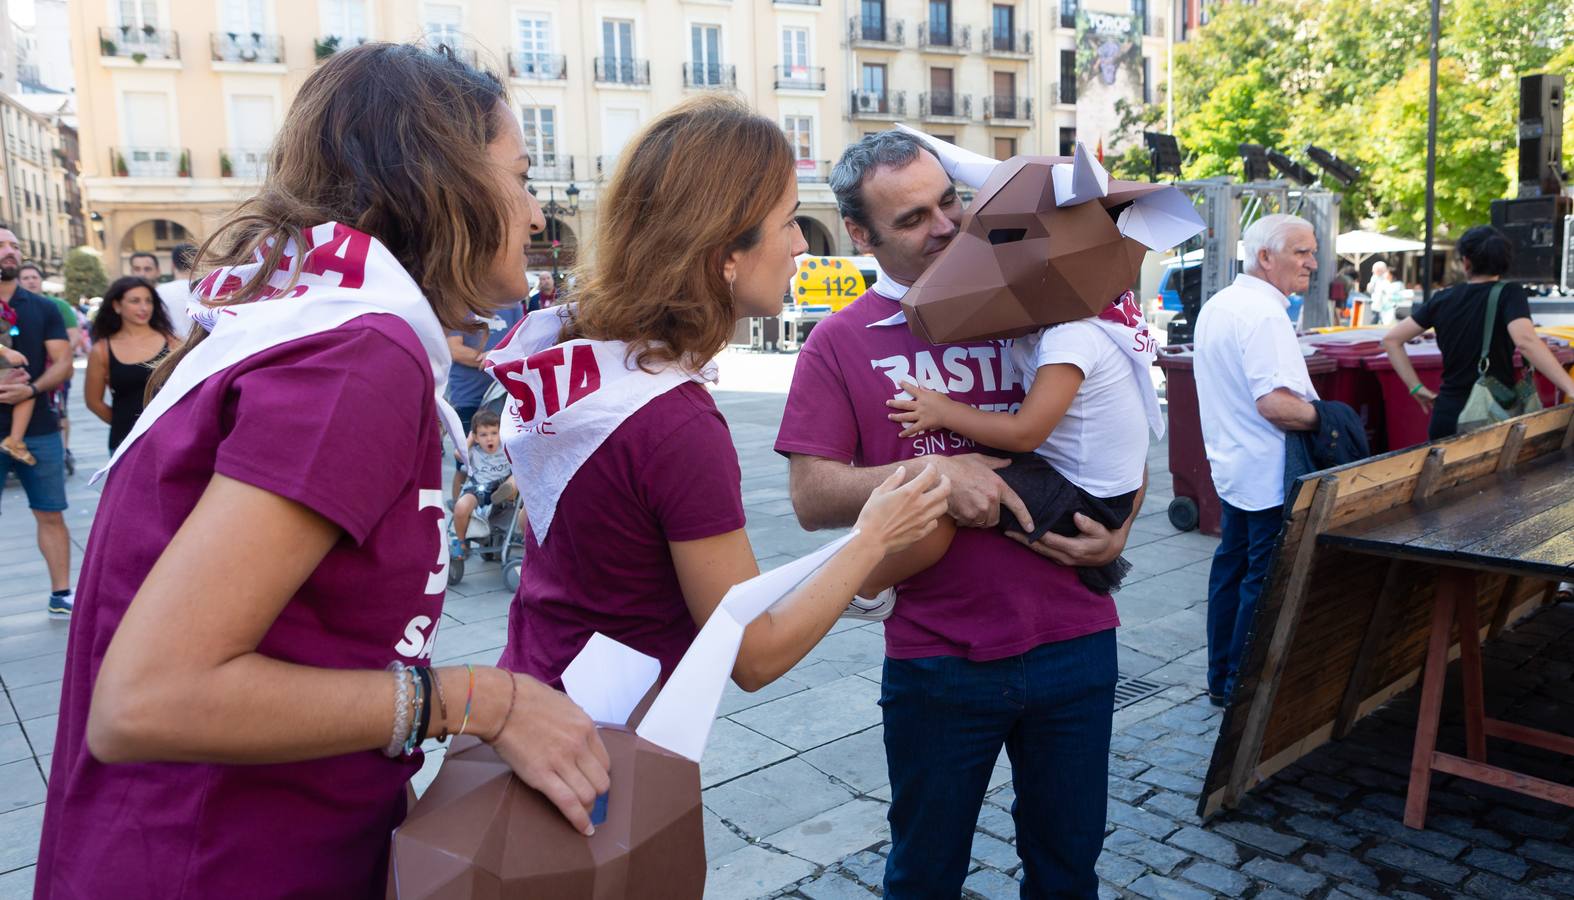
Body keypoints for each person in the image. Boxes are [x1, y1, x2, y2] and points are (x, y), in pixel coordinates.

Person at [36, 44, 614, 899]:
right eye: (522, 177)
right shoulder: (355, 359)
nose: (535, 214)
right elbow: (148, 698)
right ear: (443, 183)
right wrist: (481, 701)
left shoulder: (306, 327)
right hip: (220, 864)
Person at [777, 130, 1139, 899]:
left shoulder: (1037, 301)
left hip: (1075, 640)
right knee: (924, 873)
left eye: (951, 201)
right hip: (938, 660)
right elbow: (812, 496)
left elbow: (1122, 426)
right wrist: (932, 468)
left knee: (1069, 870)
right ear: (861, 235)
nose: (944, 226)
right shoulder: (840, 342)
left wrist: (1126, 521)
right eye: (912, 219)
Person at [492, 96, 952, 700]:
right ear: (726, 255)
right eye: (788, 221)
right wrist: (872, 540)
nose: (800, 246)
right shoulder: (676, 424)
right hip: (602, 744)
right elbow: (751, 654)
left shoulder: (580, 347)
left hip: (535, 683)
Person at [866, 287, 1161, 597]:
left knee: (946, 490)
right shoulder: (1050, 329)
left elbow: (1025, 433)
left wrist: (945, 411)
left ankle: (865, 588)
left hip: (1088, 498)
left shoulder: (1072, 337)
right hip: (1090, 484)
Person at [1195, 214, 1322, 707]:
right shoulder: (1265, 314)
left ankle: (1221, 677)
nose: (1311, 262)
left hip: (1233, 465)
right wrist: (1327, 419)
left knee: (1231, 569)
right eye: (1300, 251)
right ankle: (1240, 683)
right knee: (1259, 578)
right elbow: (1276, 404)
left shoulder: (1222, 304)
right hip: (1267, 471)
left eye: (1312, 251)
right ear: (1265, 257)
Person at [1380, 224, 1574, 440]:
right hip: (1492, 417)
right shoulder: (1510, 294)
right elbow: (1525, 340)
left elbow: (1391, 340)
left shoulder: (1442, 298)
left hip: (1448, 415)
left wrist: (1415, 388)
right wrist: (1570, 388)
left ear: (1466, 262)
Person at [0, 227, 74, 616]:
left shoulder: (43, 307)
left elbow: (62, 361)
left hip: (39, 427)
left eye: (13, 245)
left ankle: (61, 594)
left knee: (51, 511)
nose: (9, 252)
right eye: (1, 245)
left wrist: (30, 391)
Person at [83, 276, 178, 452]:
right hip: (125, 443)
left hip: (170, 440)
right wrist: (125, 423)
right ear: (117, 306)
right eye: (135, 301)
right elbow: (93, 402)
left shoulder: (174, 344)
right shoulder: (102, 350)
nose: (144, 307)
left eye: (148, 301)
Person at [446, 295, 523, 499]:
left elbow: (520, 342)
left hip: (505, 393)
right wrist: (492, 361)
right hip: (468, 395)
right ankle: (459, 513)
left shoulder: (512, 302)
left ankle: (497, 517)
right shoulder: (460, 301)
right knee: (465, 463)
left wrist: (495, 358)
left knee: (506, 458)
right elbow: (454, 349)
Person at [18, 263, 81, 474]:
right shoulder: (9, 307)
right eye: (25, 277)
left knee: (60, 410)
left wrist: (57, 355)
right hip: (23, 371)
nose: (30, 281)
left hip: (54, 371)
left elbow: (73, 336)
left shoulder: (57, 306)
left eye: (34, 277)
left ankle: (63, 450)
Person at [450, 409, 515, 560]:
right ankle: (461, 543)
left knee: (516, 477)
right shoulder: (473, 451)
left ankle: (507, 491)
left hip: (502, 488)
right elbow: (458, 455)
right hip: (479, 490)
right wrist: (470, 439)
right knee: (460, 507)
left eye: (494, 433)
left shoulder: (506, 448)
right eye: (483, 435)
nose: (489, 439)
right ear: (476, 437)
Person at [155, 241, 197, 338]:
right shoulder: (207, 290)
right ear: (197, 263)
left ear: (172, 265)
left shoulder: (160, 291)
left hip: (173, 349)